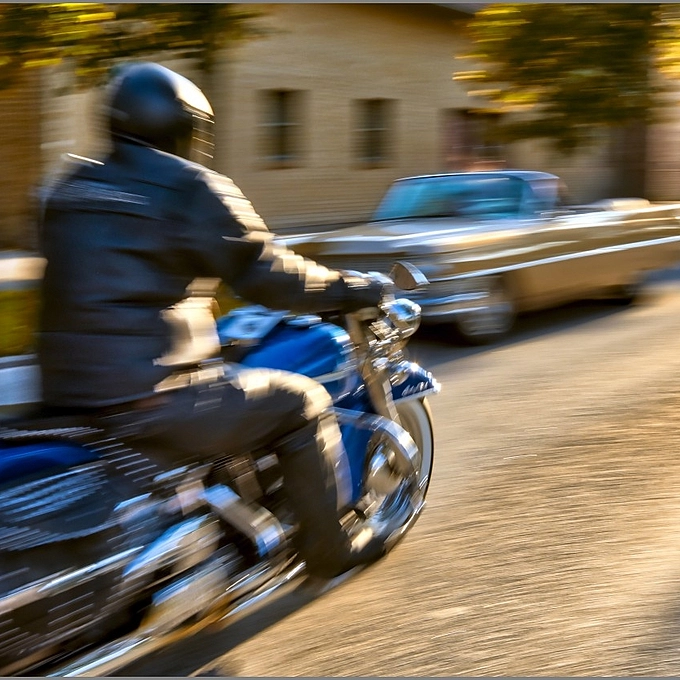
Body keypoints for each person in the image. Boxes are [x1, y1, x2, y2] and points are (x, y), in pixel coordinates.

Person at [36, 61, 388, 579]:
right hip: (149, 400)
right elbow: (267, 274)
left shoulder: (69, 187)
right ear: (184, 127)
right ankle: (330, 547)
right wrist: (352, 288)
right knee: (302, 401)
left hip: (64, 397)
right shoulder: (189, 185)